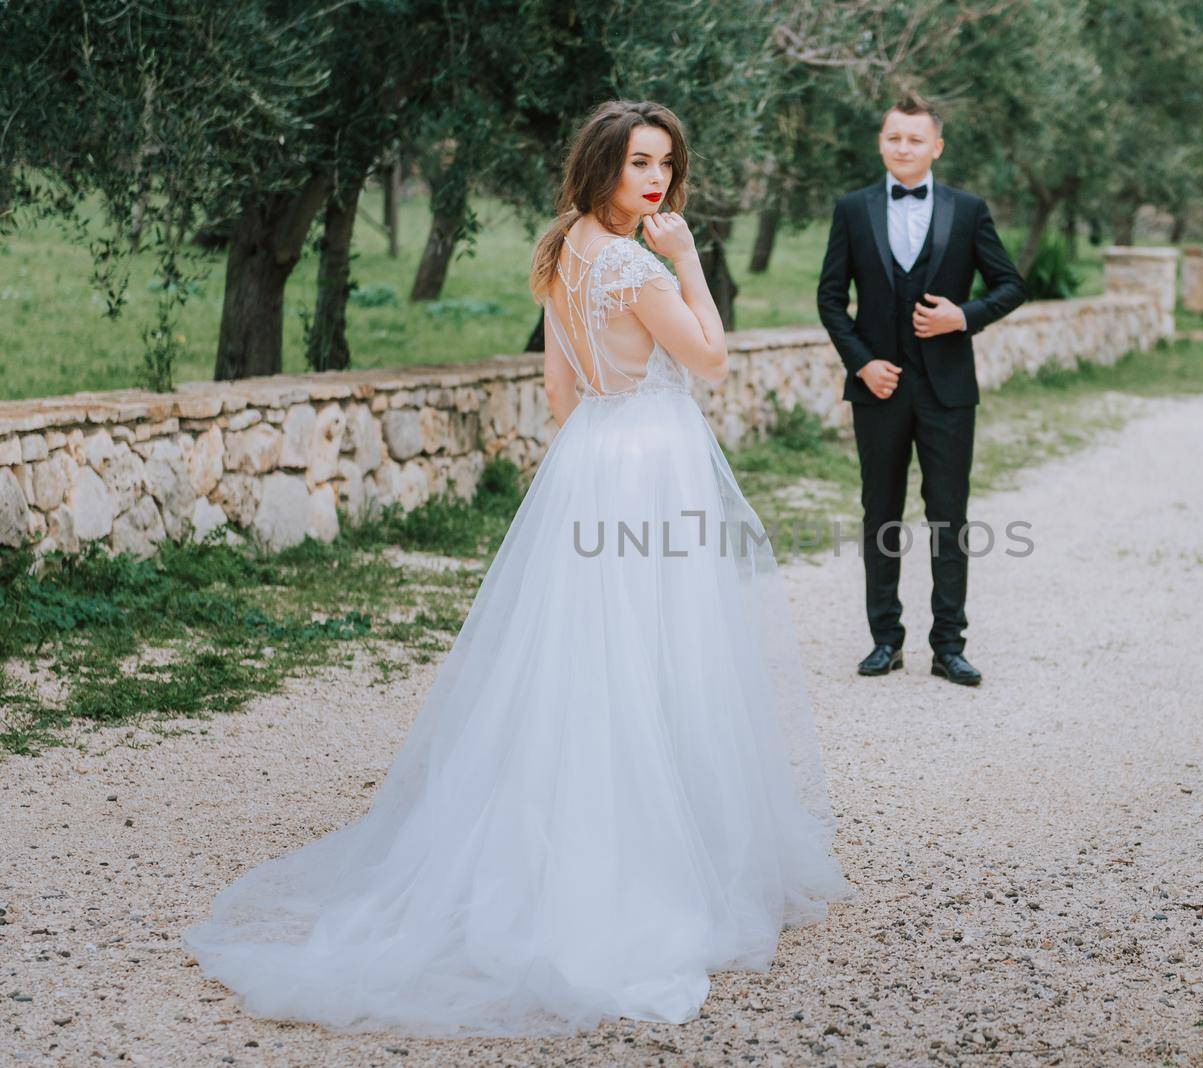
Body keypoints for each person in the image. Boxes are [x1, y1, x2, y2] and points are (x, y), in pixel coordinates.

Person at [184, 99, 851, 1038]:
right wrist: (689, 260)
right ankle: (642, 869)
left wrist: (597, 454)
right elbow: (712, 361)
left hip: (589, 465)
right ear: (602, 168)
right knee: (656, 658)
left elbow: (558, 390)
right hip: (650, 467)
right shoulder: (629, 261)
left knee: (583, 661)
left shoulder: (563, 249)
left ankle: (566, 844)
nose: (655, 180)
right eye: (637, 164)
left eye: (664, 163)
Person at [817, 94, 1025, 687]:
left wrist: (964, 316)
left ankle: (949, 646)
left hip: (948, 392)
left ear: (936, 146)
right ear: (881, 143)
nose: (903, 148)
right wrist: (862, 364)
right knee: (879, 513)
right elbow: (830, 298)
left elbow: (1010, 285)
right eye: (893, 138)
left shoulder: (968, 210)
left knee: (948, 517)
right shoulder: (853, 210)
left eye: (915, 139)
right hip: (878, 390)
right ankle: (885, 641)